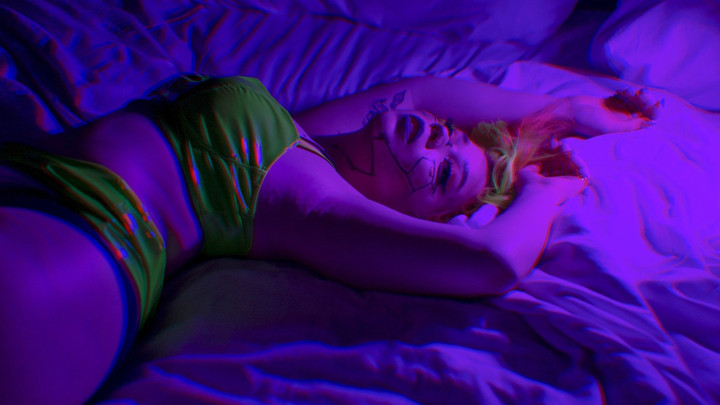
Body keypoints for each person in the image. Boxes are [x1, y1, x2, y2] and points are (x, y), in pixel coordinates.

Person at [0, 74, 658, 405]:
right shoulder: (302, 136)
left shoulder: (311, 201)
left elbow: (490, 261)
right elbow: (420, 91)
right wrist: (563, 111)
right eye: (453, 136)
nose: (442, 137)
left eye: (444, 174)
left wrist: (544, 192)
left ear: (408, 218)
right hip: (34, 186)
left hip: (86, 240)